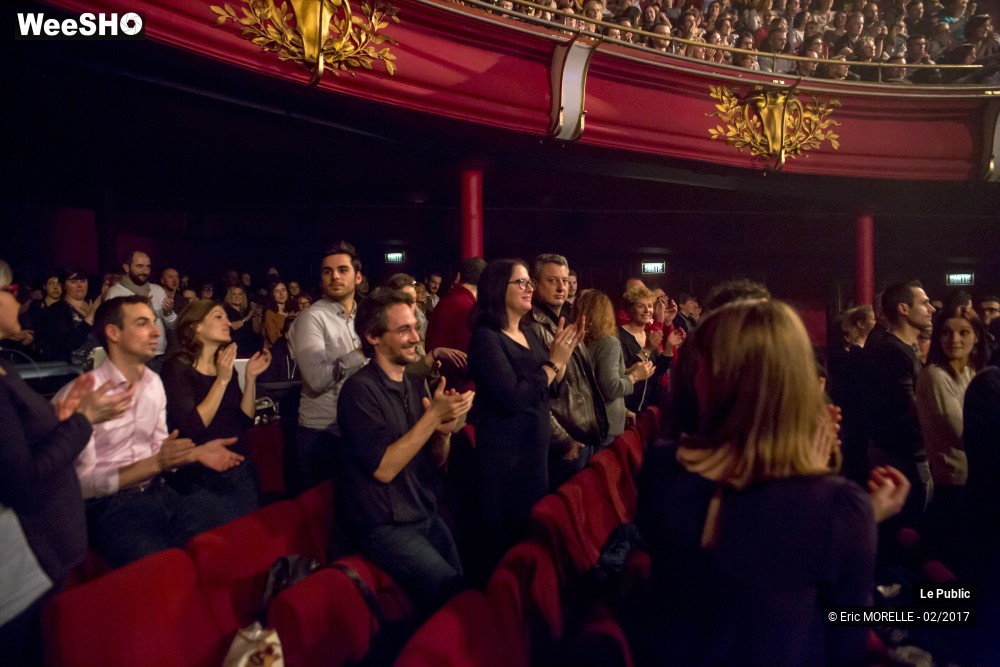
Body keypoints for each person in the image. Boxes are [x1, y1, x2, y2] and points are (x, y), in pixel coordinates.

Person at [634, 299, 878, 666]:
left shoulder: (663, 466)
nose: (694, 378)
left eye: (702, 365)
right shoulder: (835, 506)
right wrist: (845, 508)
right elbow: (846, 639)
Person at [0, 266, 133, 663]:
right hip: (23, 574)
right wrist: (83, 420)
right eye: (9, 288)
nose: (17, 297)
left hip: (46, 559)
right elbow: (23, 483)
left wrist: (63, 419)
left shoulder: (4, 368)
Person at [55, 296, 244, 567]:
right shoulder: (81, 393)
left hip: (159, 491)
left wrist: (194, 453)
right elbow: (78, 485)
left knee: (227, 538)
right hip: (110, 507)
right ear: (113, 333)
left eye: (155, 323)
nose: (156, 331)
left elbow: (159, 450)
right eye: (143, 323)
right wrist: (155, 463)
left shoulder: (153, 382)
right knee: (167, 569)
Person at [338, 288, 474, 612]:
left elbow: (435, 461)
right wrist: (432, 417)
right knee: (453, 598)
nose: (416, 337)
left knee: (466, 588)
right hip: (386, 527)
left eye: (415, 327)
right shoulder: (358, 391)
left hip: (423, 512)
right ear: (373, 336)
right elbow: (384, 468)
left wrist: (442, 433)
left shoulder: (412, 384)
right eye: (403, 330)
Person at [467, 259, 583, 570]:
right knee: (507, 547)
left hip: (535, 455)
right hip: (506, 461)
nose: (529, 287)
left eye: (529, 281)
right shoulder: (486, 338)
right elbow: (514, 397)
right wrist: (553, 364)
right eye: (521, 282)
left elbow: (549, 388)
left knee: (533, 540)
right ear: (497, 288)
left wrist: (561, 359)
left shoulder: (529, 332)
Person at [161, 300, 272, 530]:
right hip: (203, 478)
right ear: (196, 327)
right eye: (218, 316)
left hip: (240, 469)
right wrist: (221, 380)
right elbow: (192, 427)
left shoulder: (223, 366)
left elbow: (244, 420)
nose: (228, 322)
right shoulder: (177, 367)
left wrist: (250, 378)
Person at [288, 243, 368, 490]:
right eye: (327, 271)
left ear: (358, 277)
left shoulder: (364, 317)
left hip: (357, 430)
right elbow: (316, 379)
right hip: (322, 435)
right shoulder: (311, 317)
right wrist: (361, 353)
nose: (334, 276)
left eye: (342, 270)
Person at [527, 254, 608, 488]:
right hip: (564, 443)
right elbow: (537, 395)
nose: (562, 287)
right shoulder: (530, 325)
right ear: (535, 283)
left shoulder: (563, 320)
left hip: (583, 435)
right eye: (552, 280)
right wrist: (563, 441)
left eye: (565, 280)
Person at [915, 307, 987, 555]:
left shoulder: (971, 371)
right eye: (946, 332)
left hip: (972, 480)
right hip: (953, 482)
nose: (954, 339)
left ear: (977, 336)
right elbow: (961, 433)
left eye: (963, 332)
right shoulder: (935, 375)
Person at [863, 280, 935, 528]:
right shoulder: (892, 351)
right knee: (911, 526)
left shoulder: (902, 348)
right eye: (924, 303)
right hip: (903, 455)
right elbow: (909, 407)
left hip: (901, 452)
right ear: (903, 308)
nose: (931, 309)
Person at [577, 289, 654, 439]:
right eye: (641, 306)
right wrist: (634, 376)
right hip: (605, 425)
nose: (647, 310)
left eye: (650, 305)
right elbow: (610, 389)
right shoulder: (609, 342)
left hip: (589, 422)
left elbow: (596, 381)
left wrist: (627, 372)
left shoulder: (581, 340)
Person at [104, 250, 177, 372]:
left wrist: (168, 312)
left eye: (148, 267)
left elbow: (173, 325)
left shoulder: (157, 290)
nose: (145, 271)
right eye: (140, 266)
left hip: (158, 356)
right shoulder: (115, 293)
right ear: (126, 267)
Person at [424, 257, 487, 392]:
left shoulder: (445, 301)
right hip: (459, 391)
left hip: (441, 384)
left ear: (458, 276)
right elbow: (471, 361)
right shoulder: (467, 308)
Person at [262, 281, 290, 349]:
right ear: (272, 294)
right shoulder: (270, 313)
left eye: (283, 290)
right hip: (279, 350)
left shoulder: (292, 311)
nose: (281, 294)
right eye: (277, 291)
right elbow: (273, 339)